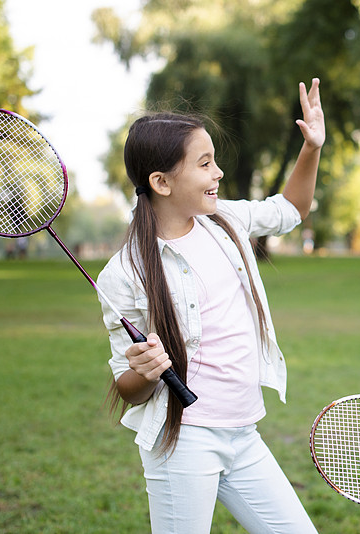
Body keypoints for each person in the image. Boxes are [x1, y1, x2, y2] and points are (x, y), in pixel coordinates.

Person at [96, 78, 324, 533]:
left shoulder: (227, 221)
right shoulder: (123, 274)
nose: (218, 172)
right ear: (161, 182)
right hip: (183, 441)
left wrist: (312, 147)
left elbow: (293, 208)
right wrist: (144, 368)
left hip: (244, 433)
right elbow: (127, 388)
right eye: (204, 164)